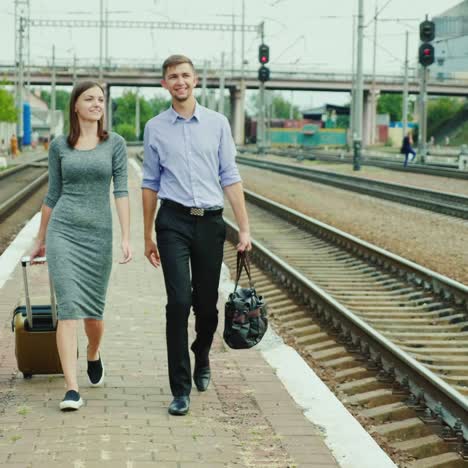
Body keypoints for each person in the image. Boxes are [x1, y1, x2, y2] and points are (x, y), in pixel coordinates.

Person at [142, 54, 251, 416]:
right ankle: (180, 388)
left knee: (207, 305)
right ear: (165, 84)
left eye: (185, 75)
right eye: (172, 76)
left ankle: (201, 352)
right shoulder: (155, 127)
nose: (180, 81)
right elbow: (150, 183)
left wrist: (244, 228)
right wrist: (146, 234)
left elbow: (230, 177)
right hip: (172, 221)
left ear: (195, 80)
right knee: (177, 303)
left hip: (210, 223)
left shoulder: (218, 124)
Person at [30, 80, 132, 411]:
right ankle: (72, 389)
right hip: (64, 232)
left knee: (93, 316)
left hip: (98, 235)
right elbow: (52, 194)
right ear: (75, 105)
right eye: (89, 99)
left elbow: (120, 191)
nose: (96, 104)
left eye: (100, 99)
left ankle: (93, 352)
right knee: (69, 311)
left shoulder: (114, 143)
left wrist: (127, 236)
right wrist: (41, 238)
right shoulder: (60, 145)